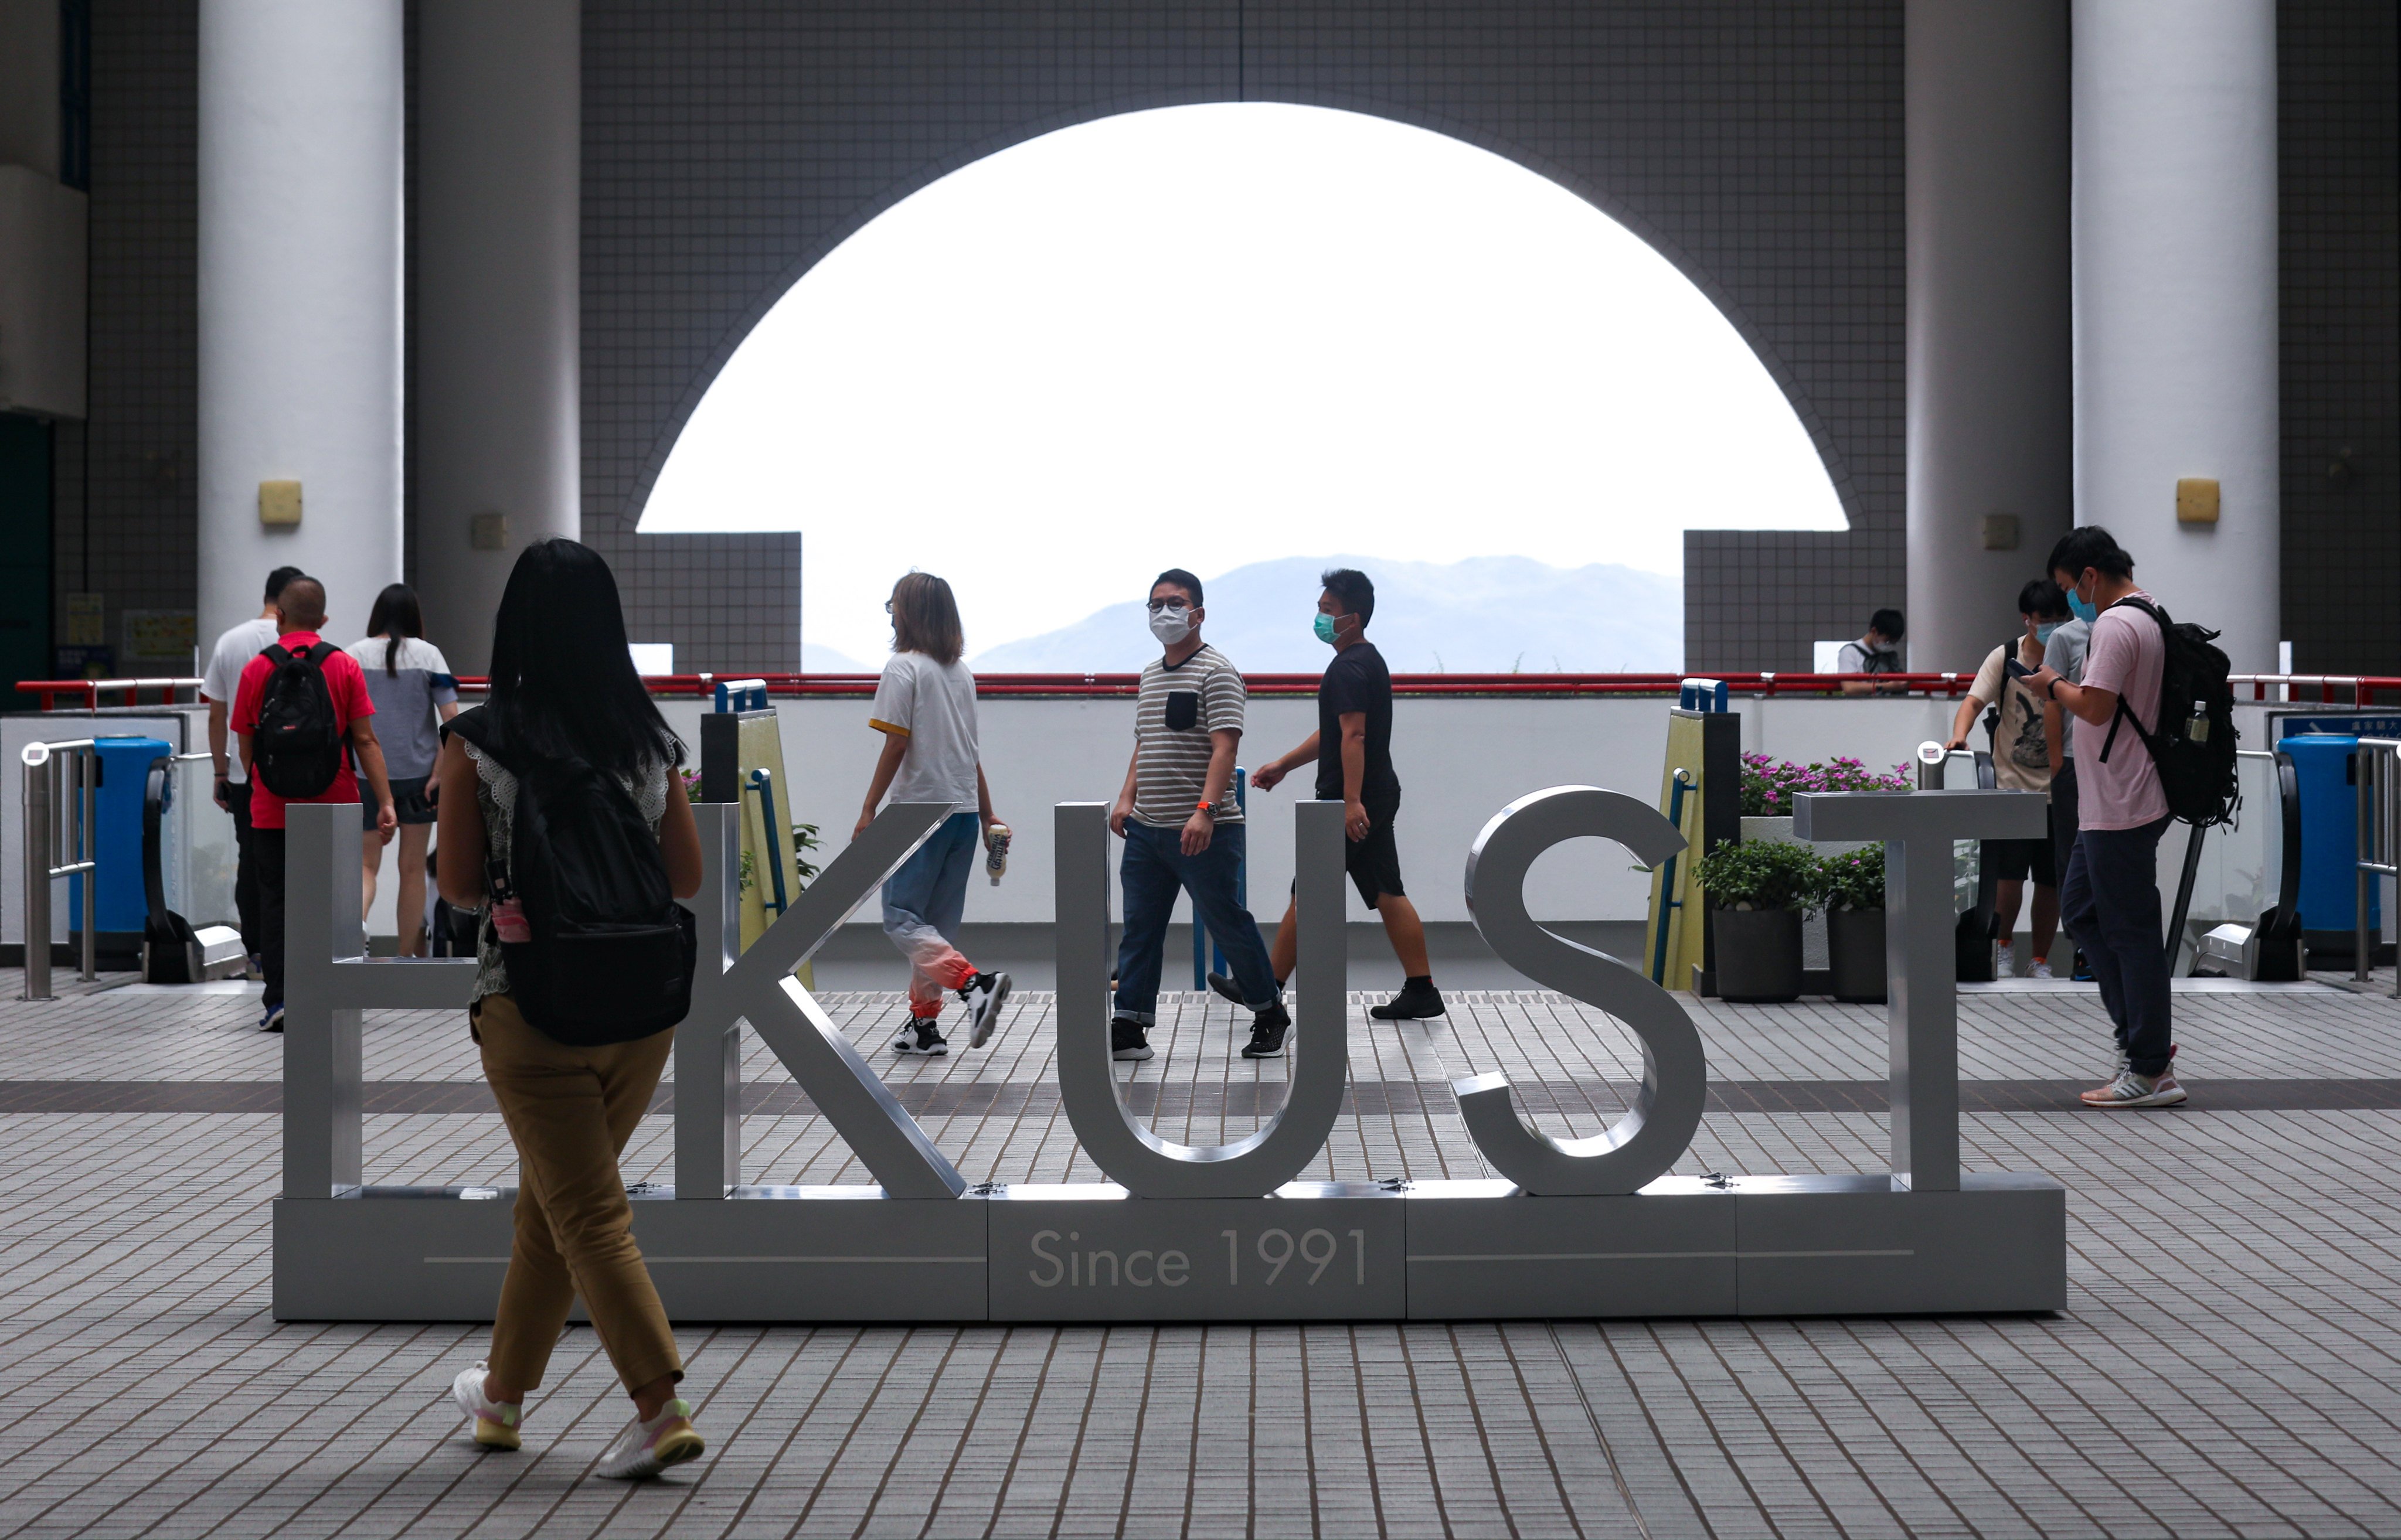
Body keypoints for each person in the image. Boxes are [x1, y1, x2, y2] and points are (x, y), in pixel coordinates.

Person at [433, 539, 709, 1478]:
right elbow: (687, 876)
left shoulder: (478, 739)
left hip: (530, 1005)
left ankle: (659, 1407)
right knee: (550, 1207)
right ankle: (501, 1400)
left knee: (587, 1211)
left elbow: (461, 887)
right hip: (641, 1009)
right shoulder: (645, 737)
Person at [1234, 568, 1441, 1048]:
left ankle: (1266, 990)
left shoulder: (1348, 667)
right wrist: (1285, 764)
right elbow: (1334, 732)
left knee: (1307, 891)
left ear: (1353, 617)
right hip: (1375, 793)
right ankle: (1421, 989)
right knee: (1386, 888)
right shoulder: (1366, 661)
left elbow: (1353, 735)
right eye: (1320, 608)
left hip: (1352, 800)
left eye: (1327, 611)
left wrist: (1350, 803)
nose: (1320, 617)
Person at [2026, 526, 2186, 1109]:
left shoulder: (2118, 623)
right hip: (2110, 803)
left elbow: (2095, 706)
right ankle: (2140, 1048)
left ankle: (2148, 1067)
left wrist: (2051, 683)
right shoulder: (2146, 614)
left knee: (2128, 932)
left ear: (2090, 577)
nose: (2071, 599)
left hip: (2122, 802)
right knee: (2084, 914)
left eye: (2071, 588)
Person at [1107, 569, 1284, 1062]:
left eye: (1176, 603)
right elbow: (1145, 744)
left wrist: (1205, 812)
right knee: (1141, 927)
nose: (1166, 612)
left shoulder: (1217, 672)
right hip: (1147, 831)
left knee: (1227, 923)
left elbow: (1225, 748)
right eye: (1156, 604)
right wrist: (1126, 799)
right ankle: (1130, 1024)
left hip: (1206, 831)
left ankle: (1270, 1013)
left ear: (1198, 614)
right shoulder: (1147, 675)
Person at [856, 572, 1012, 1056]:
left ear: (907, 613)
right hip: (963, 813)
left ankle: (973, 986)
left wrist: (868, 809)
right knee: (935, 929)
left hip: (918, 813)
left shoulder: (903, 668)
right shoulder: (959, 672)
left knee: (902, 920)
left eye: (894, 605)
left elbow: (896, 742)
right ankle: (924, 1026)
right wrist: (987, 815)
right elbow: (971, 752)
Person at [230, 577, 396, 1032]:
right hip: (336, 805)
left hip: (271, 808)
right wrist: (384, 802)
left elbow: (246, 744)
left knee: (277, 904)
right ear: (323, 621)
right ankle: (336, 995)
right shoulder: (342, 665)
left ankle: (280, 1001)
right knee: (337, 903)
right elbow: (365, 739)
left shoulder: (257, 669)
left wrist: (266, 782)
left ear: (278, 618)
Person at [1943, 580, 2070, 979]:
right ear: (2027, 620)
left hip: (2059, 788)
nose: (2051, 627)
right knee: (2008, 879)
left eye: (2057, 619)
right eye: (2044, 620)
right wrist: (1960, 734)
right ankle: (2003, 947)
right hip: (2011, 788)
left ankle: (2041, 959)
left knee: (2051, 881)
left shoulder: (2069, 653)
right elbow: (1974, 701)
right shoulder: (2006, 656)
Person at [201, 565, 305, 974]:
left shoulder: (231, 641)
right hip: (300, 775)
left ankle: (257, 951)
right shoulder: (307, 645)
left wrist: (220, 772)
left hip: (248, 776)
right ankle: (298, 949)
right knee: (299, 861)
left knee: (252, 859)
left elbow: (217, 716)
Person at [346, 583, 459, 956]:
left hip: (365, 775)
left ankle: (355, 933)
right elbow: (451, 722)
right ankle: (407, 955)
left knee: (365, 865)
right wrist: (439, 774)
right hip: (419, 777)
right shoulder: (429, 656)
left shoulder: (353, 656)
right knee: (412, 868)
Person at [1837, 608, 1908, 695]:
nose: (1889, 646)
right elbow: (1849, 688)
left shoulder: (1889, 656)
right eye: (1887, 641)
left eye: (1894, 643)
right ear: (1874, 631)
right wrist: (1887, 686)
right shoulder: (1850, 652)